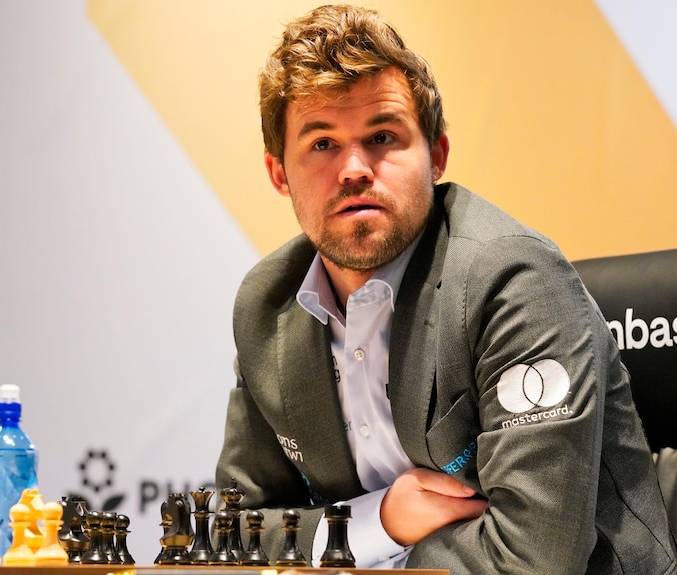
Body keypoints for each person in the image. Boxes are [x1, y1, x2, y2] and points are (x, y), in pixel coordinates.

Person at [214, 4, 677, 573]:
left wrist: (367, 556)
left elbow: (537, 558)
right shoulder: (266, 305)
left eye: (383, 136)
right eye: (323, 143)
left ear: (435, 155)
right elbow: (233, 534)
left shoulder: (513, 281)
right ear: (279, 172)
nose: (355, 168)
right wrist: (379, 522)